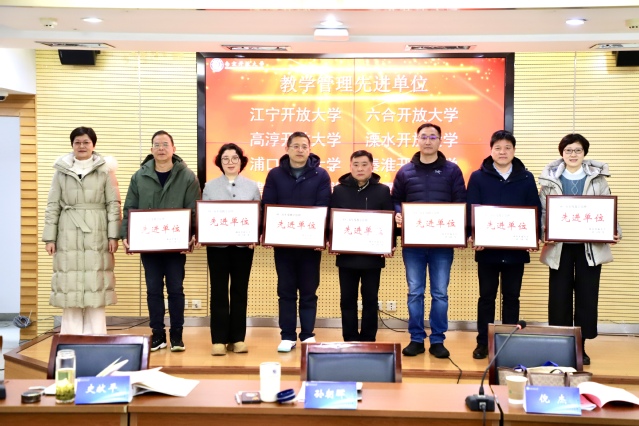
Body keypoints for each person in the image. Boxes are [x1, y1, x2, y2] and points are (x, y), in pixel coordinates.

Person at [539, 133, 621, 365]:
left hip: (589, 248)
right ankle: (561, 346)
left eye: (577, 150)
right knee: (559, 298)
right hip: (559, 248)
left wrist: (614, 231)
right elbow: (544, 212)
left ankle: (580, 347)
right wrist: (544, 232)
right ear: (562, 153)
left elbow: (607, 209)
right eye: (568, 150)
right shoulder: (549, 179)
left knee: (587, 297)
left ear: (584, 153)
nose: (573, 154)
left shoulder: (597, 179)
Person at [391, 123, 467, 358]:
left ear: (440, 141)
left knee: (440, 293)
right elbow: (395, 200)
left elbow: (460, 202)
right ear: (417, 140)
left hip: (442, 244)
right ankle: (416, 338)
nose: (427, 141)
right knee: (415, 292)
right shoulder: (405, 172)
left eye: (433, 137)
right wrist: (398, 213)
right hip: (413, 244)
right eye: (423, 137)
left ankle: (437, 339)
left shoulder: (452, 171)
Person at [121, 130, 200, 352]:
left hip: (176, 245)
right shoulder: (139, 176)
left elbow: (194, 209)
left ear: (174, 148)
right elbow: (129, 208)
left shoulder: (187, 177)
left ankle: (177, 335)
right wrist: (126, 235)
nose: (161, 148)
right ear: (151, 149)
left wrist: (194, 234)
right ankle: (157, 334)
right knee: (153, 290)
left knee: (176, 289)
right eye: (157, 145)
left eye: (165, 144)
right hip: (149, 245)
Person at [466, 130, 541, 359]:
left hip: (515, 251)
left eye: (507, 147)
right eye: (498, 148)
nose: (502, 152)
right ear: (491, 150)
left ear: (514, 151)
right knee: (486, 298)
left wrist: (533, 237)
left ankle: (509, 343)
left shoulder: (526, 177)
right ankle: (483, 343)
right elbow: (471, 207)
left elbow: (534, 208)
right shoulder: (478, 177)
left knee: (511, 297)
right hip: (487, 250)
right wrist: (473, 235)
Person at [43, 126, 121, 335]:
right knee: (70, 284)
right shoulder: (61, 170)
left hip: (97, 231)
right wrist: (50, 238)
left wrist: (113, 235)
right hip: (67, 231)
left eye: (86, 142)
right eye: (77, 142)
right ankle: (70, 337)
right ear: (72, 145)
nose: (82, 146)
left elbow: (113, 204)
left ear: (93, 145)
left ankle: (97, 336)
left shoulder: (105, 170)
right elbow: (52, 205)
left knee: (95, 283)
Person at [262, 131, 331, 352]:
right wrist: (268, 231)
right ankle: (287, 336)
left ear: (309, 149)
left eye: (304, 146)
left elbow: (323, 206)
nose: (300, 150)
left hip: (310, 245)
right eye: (296, 146)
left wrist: (319, 235)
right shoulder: (275, 174)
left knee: (309, 291)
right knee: (286, 291)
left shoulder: (321, 175)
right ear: (287, 148)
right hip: (284, 245)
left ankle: (308, 334)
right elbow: (268, 204)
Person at [201, 143, 261, 356]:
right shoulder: (209, 187)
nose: (230, 162)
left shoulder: (252, 186)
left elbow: (258, 215)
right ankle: (218, 339)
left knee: (239, 291)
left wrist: (255, 235)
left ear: (241, 161)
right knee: (218, 291)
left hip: (243, 247)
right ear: (220, 162)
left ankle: (237, 338)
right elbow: (205, 216)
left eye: (234, 158)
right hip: (217, 247)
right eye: (225, 158)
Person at [330, 150, 394, 342]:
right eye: (356, 164)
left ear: (372, 167)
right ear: (350, 167)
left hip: (372, 256)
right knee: (347, 299)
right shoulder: (339, 190)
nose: (360, 168)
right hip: (347, 256)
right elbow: (331, 220)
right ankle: (349, 338)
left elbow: (389, 219)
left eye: (364, 164)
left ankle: (368, 338)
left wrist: (389, 244)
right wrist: (330, 239)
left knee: (370, 299)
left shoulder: (382, 191)